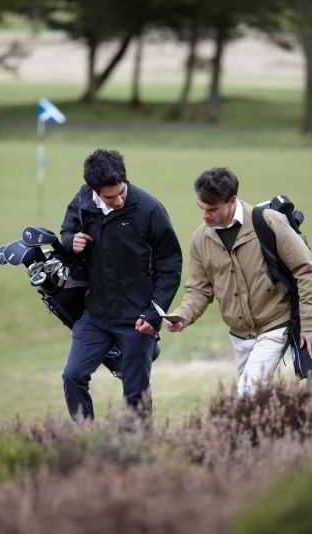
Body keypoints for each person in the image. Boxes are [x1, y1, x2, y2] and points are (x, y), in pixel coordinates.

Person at [164, 168, 312, 396]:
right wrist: (183, 315)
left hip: (275, 325)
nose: (205, 216)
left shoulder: (269, 222)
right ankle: (282, 429)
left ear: (231, 201)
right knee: (257, 402)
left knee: (246, 394)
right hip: (239, 336)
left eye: (212, 210)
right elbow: (199, 290)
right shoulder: (200, 239)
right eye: (201, 208)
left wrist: (311, 325)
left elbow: (307, 270)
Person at [59, 149, 182, 420]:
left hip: (138, 319)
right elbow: (66, 233)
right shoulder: (82, 201)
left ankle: (137, 448)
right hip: (96, 315)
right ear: (94, 191)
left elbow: (170, 265)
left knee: (135, 392)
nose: (118, 201)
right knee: (72, 376)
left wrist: (154, 313)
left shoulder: (150, 209)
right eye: (109, 197)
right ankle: (85, 439)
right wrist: (71, 241)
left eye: (121, 193)